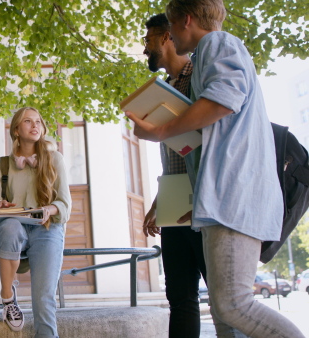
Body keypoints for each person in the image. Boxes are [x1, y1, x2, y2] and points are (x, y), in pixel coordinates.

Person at [126, 1, 304, 337]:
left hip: (236, 197)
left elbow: (225, 99)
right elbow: (211, 141)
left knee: (233, 305)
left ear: (186, 21)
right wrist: (198, 198)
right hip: (222, 198)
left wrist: (160, 131)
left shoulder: (216, 44)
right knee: (227, 307)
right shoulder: (212, 51)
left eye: (171, 27)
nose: (170, 37)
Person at [140, 13, 210, 338]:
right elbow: (179, 155)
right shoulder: (164, 90)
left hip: (207, 204)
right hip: (173, 209)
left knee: (225, 298)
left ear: (167, 37)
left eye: (149, 40)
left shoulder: (200, 75)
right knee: (180, 300)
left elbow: (209, 143)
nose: (145, 50)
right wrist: (158, 204)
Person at [0, 107, 71, 337]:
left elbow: (65, 204)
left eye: (38, 122)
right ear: (16, 129)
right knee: (9, 226)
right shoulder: (4, 165)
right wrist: (0, 206)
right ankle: (8, 297)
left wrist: (49, 208)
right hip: (14, 228)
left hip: (47, 227)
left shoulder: (55, 158)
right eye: (27, 121)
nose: (35, 125)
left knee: (44, 299)